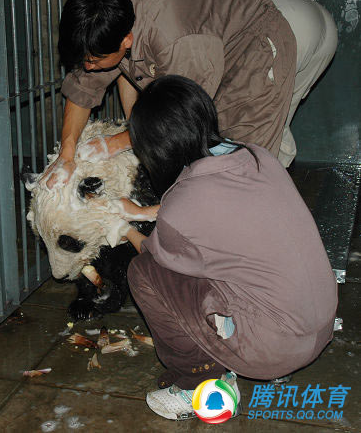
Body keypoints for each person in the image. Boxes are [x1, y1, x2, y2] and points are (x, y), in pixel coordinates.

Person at [116, 75, 338, 421]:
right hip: (316, 326)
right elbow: (223, 219)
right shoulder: (257, 157)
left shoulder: (185, 202)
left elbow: (153, 252)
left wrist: (120, 225)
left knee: (145, 273)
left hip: (272, 349)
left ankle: (199, 381)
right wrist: (147, 212)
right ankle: (269, 354)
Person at [42, 0, 337, 187]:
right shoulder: (105, 15)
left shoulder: (174, 41)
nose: (89, 67)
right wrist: (66, 154)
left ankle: (264, 240)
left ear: (127, 40)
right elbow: (82, 87)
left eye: (93, 61)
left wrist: (114, 144)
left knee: (246, 158)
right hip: (275, 7)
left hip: (282, 35)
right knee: (245, 141)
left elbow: (180, 117)